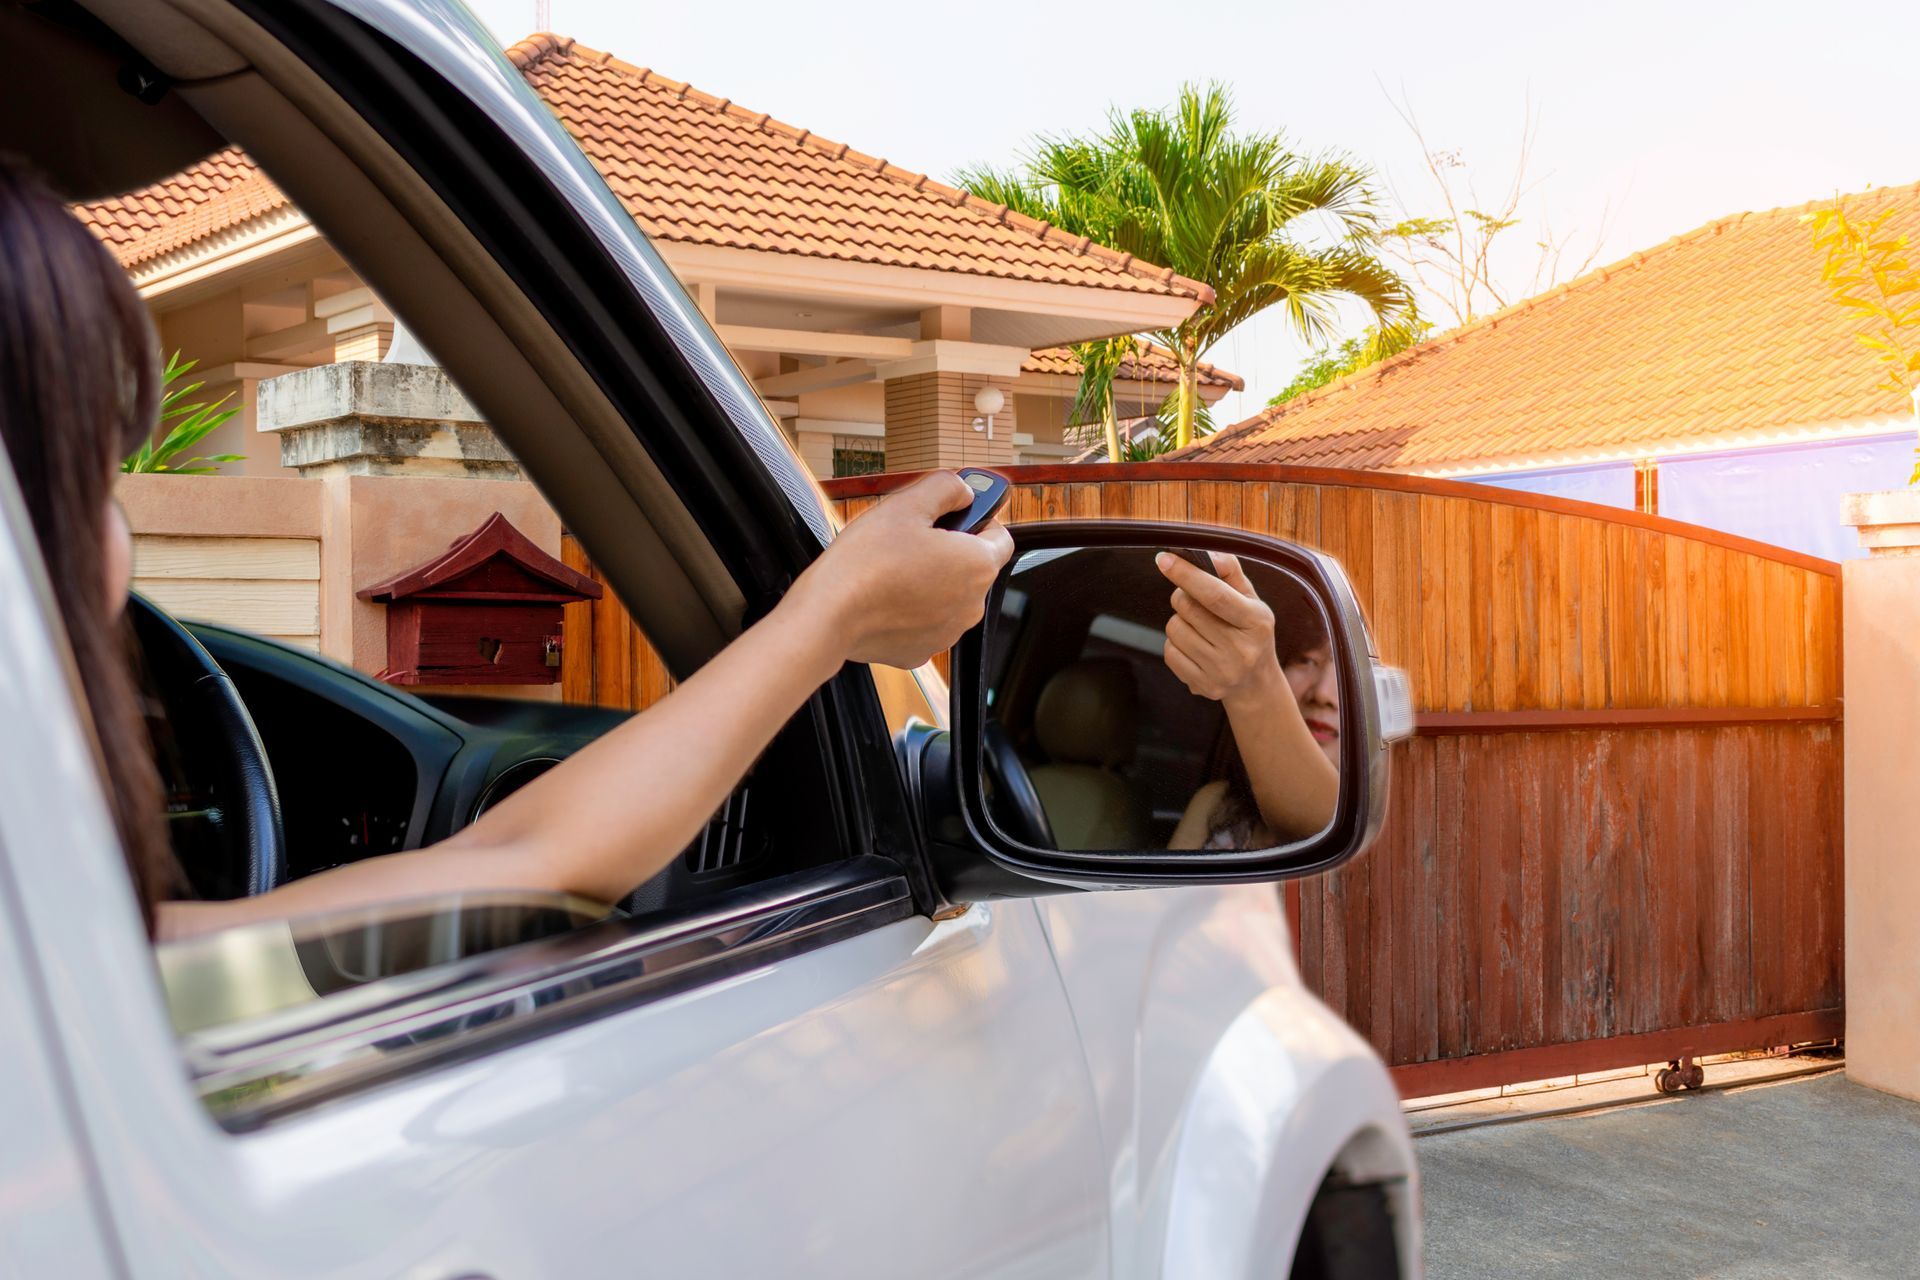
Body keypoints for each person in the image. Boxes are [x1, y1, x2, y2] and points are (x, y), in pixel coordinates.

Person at [0, 158, 1012, 942]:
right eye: (87, 481)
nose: (117, 538)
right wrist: (828, 615)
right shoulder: (80, 988)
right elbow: (534, 859)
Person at [1156, 551, 1341, 850]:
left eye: (1346, 672)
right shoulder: (1215, 803)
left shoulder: (1374, 815)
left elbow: (1319, 832)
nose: (1323, 694)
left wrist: (1252, 684)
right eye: (1306, 660)